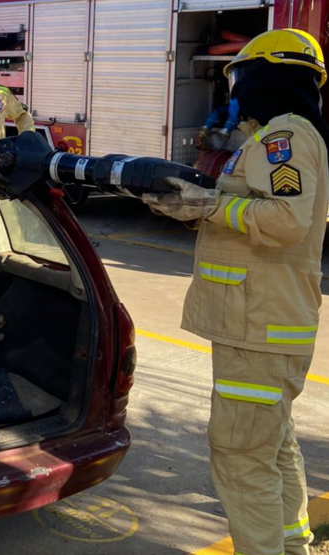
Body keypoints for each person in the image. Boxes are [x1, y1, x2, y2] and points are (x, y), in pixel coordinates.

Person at [143, 28, 328, 555]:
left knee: (242, 455)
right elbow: (258, 211)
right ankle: (293, 545)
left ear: (267, 76)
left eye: (242, 77)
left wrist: (208, 207)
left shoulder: (283, 137)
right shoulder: (293, 136)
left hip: (259, 327)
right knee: (272, 446)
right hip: (268, 325)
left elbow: (286, 219)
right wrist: (201, 203)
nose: (237, 90)